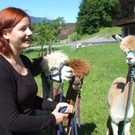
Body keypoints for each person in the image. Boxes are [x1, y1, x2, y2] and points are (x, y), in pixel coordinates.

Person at [0, 7, 74, 135]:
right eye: (23, 29)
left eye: (30, 28)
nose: (29, 33)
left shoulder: (25, 61)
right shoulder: (2, 68)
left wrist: (55, 106)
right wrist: (52, 119)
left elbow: (28, 99)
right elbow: (11, 121)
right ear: (5, 33)